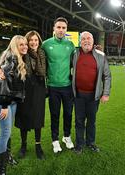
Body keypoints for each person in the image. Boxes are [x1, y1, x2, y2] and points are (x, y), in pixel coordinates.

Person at [0, 35, 28, 175]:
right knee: (5, 132)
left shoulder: (16, 58)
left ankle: (7, 157)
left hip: (11, 102)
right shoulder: (12, 59)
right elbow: (5, 85)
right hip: (5, 102)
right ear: (15, 46)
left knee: (8, 131)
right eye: (21, 44)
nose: (25, 46)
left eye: (25, 44)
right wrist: (5, 105)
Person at [72, 31, 111, 154]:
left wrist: (105, 93)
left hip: (93, 95)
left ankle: (90, 142)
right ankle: (79, 144)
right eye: (83, 39)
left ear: (93, 41)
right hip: (78, 94)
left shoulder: (100, 55)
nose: (86, 41)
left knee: (91, 121)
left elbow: (107, 76)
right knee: (79, 121)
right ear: (80, 41)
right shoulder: (74, 54)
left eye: (88, 38)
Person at [42, 17, 75, 153]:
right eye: (59, 27)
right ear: (54, 29)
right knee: (54, 114)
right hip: (53, 87)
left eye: (63, 28)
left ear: (66, 30)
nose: (61, 30)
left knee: (68, 113)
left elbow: (76, 63)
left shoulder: (71, 45)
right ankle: (55, 140)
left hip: (67, 86)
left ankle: (66, 137)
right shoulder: (45, 44)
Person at [15, 31, 46, 160]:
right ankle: (23, 145)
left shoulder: (42, 54)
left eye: (36, 40)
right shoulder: (22, 53)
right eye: (31, 40)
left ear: (39, 41)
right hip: (25, 89)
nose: (34, 42)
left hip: (39, 88)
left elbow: (44, 71)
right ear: (27, 42)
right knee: (24, 116)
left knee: (38, 117)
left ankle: (38, 146)